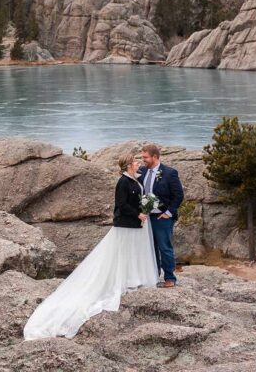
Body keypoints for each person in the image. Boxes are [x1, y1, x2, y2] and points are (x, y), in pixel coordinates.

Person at [23, 154, 158, 340]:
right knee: (123, 253)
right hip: (126, 224)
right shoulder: (123, 182)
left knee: (133, 253)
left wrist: (145, 209)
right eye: (135, 162)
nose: (138, 164)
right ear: (128, 166)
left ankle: (133, 276)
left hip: (136, 224)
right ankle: (123, 279)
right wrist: (138, 214)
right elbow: (121, 205)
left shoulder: (135, 180)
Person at [137, 143, 184, 288]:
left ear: (155, 157)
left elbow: (178, 195)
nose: (143, 160)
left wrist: (168, 213)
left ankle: (170, 278)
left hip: (162, 218)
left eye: (145, 157)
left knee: (164, 247)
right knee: (151, 247)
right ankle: (154, 276)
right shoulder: (142, 172)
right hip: (146, 218)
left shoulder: (170, 173)